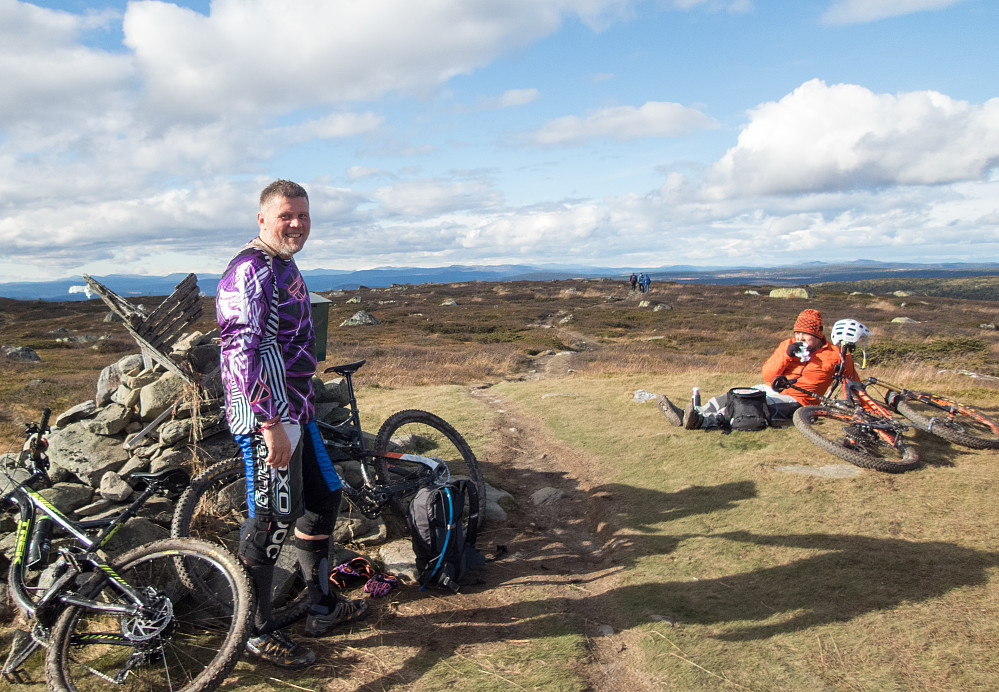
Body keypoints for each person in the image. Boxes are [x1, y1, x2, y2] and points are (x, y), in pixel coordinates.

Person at [217, 180, 369, 670]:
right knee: (270, 522)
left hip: (297, 411)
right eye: (286, 216)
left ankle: (321, 606)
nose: (297, 224)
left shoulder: (282, 262)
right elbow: (241, 350)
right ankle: (256, 632)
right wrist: (268, 422)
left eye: (303, 215)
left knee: (323, 498)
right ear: (262, 218)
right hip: (269, 418)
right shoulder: (252, 270)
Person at [657, 308, 859, 430]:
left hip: (799, 400)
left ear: (817, 334)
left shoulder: (836, 355)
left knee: (750, 406)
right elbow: (768, 375)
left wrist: (861, 411)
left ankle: (701, 422)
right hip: (771, 389)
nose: (800, 338)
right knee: (736, 394)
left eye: (805, 335)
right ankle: (690, 413)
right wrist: (788, 355)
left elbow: (852, 384)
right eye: (797, 333)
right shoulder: (787, 345)